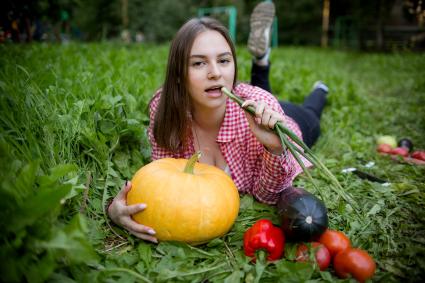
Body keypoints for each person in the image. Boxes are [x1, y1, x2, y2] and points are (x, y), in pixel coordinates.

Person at [108, 1, 329, 243]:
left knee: (310, 111)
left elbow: (266, 195)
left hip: (286, 120)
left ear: (233, 65)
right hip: (250, 101)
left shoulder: (258, 104)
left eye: (224, 61)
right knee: (261, 93)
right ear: (179, 74)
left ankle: (320, 88)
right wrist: (116, 209)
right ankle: (261, 60)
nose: (215, 73)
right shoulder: (165, 109)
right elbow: (161, 183)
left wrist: (275, 147)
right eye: (199, 63)